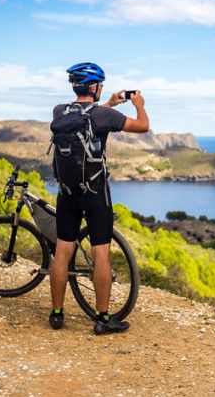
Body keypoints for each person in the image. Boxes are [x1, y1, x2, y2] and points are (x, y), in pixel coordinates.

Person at [48, 61, 149, 335]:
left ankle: (57, 314)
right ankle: (103, 319)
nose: (101, 89)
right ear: (93, 86)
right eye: (100, 85)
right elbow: (143, 126)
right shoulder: (104, 117)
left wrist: (109, 103)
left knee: (62, 252)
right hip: (95, 193)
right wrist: (137, 103)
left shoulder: (59, 112)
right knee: (100, 251)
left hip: (67, 192)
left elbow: (86, 115)